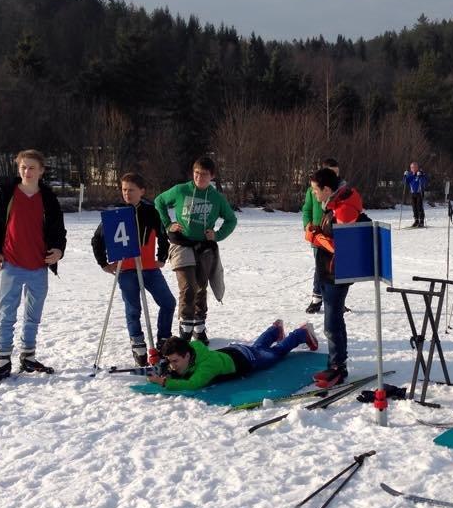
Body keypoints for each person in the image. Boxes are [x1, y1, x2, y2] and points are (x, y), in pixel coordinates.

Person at [0, 149, 67, 385]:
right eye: (23, 167)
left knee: (33, 314)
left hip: (39, 265)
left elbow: (59, 231)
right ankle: (1, 361)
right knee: (7, 313)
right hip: (12, 264)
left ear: (41, 171)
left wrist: (58, 250)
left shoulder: (48, 198)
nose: (27, 171)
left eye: (31, 168)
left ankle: (28, 356)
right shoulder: (6, 194)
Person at [92, 172, 176, 367]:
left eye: (131, 190)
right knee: (133, 308)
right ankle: (138, 345)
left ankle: (163, 341)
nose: (127, 194)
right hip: (126, 269)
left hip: (149, 268)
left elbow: (163, 235)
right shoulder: (116, 213)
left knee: (168, 302)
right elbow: (97, 239)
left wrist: (161, 257)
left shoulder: (150, 211)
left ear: (142, 191)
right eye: (124, 190)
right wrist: (103, 263)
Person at [154, 156, 237, 345]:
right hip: (181, 244)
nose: (199, 177)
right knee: (188, 287)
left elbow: (231, 220)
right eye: (196, 173)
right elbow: (159, 201)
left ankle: (199, 327)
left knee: (201, 287)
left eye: (204, 174)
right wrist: (168, 224)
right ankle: (185, 329)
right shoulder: (181, 190)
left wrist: (217, 235)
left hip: (203, 247)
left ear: (212, 176)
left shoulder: (216, 198)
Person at [304, 167, 368, 388]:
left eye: (315, 190)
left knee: (332, 324)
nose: (313, 194)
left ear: (327, 189)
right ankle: (337, 364)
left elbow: (343, 247)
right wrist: (317, 232)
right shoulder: (334, 203)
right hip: (329, 270)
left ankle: (338, 367)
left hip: (337, 273)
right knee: (334, 321)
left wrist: (316, 237)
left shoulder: (343, 209)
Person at [145, 320, 319, 391]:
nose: (172, 365)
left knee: (275, 354)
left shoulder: (206, 367)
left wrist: (164, 382)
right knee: (258, 348)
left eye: (175, 361)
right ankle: (274, 330)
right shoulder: (191, 348)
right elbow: (178, 365)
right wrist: (164, 367)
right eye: (170, 361)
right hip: (233, 352)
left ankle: (301, 333)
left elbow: (193, 384)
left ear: (187, 356)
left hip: (247, 360)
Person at [302, 158, 342, 314]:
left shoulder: (341, 190)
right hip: (318, 235)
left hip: (334, 235)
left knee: (335, 267)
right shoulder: (314, 190)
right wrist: (307, 224)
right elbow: (306, 210)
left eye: (337, 173)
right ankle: (317, 297)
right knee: (321, 266)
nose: (335, 177)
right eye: (332, 173)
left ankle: (336, 299)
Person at [403, 161, 429, 227]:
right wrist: (405, 176)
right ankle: (416, 221)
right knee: (414, 207)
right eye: (412, 167)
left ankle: (421, 221)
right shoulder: (410, 175)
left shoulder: (421, 173)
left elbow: (424, 182)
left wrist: (420, 176)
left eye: (414, 167)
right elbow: (405, 182)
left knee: (419, 207)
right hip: (412, 193)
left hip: (419, 193)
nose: (413, 169)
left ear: (417, 167)